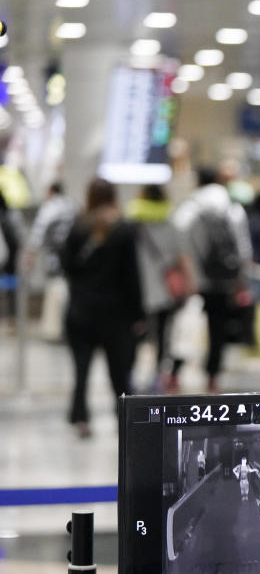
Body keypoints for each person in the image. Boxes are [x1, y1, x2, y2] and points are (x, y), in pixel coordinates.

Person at [60, 178, 145, 437]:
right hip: (115, 314)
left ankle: (80, 418)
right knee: (120, 372)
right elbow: (132, 276)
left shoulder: (78, 227)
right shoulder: (123, 229)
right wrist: (138, 314)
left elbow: (67, 268)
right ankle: (126, 420)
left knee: (81, 369)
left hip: (81, 311)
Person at [172, 166, 252, 392]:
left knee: (187, 326)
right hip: (224, 278)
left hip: (196, 279)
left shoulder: (191, 208)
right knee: (217, 328)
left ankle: (174, 372)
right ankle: (212, 376)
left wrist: (189, 274)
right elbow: (243, 249)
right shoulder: (232, 208)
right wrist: (240, 279)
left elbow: (179, 239)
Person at [128, 184, 194, 391]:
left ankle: (131, 375)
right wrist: (189, 283)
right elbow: (182, 257)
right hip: (165, 289)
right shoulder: (172, 223)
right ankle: (157, 375)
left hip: (137, 289)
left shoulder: (133, 224)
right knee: (163, 335)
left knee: (136, 335)